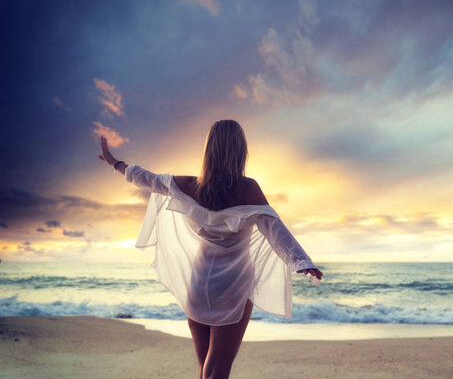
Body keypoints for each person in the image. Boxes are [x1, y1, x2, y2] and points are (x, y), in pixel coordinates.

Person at [98, 119, 323, 379]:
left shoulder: (190, 186)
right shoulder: (247, 188)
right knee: (217, 370)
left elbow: (146, 178)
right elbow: (274, 228)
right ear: (241, 151)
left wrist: (115, 162)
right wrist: (301, 261)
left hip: (198, 283)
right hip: (233, 286)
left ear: (209, 150)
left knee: (205, 366)